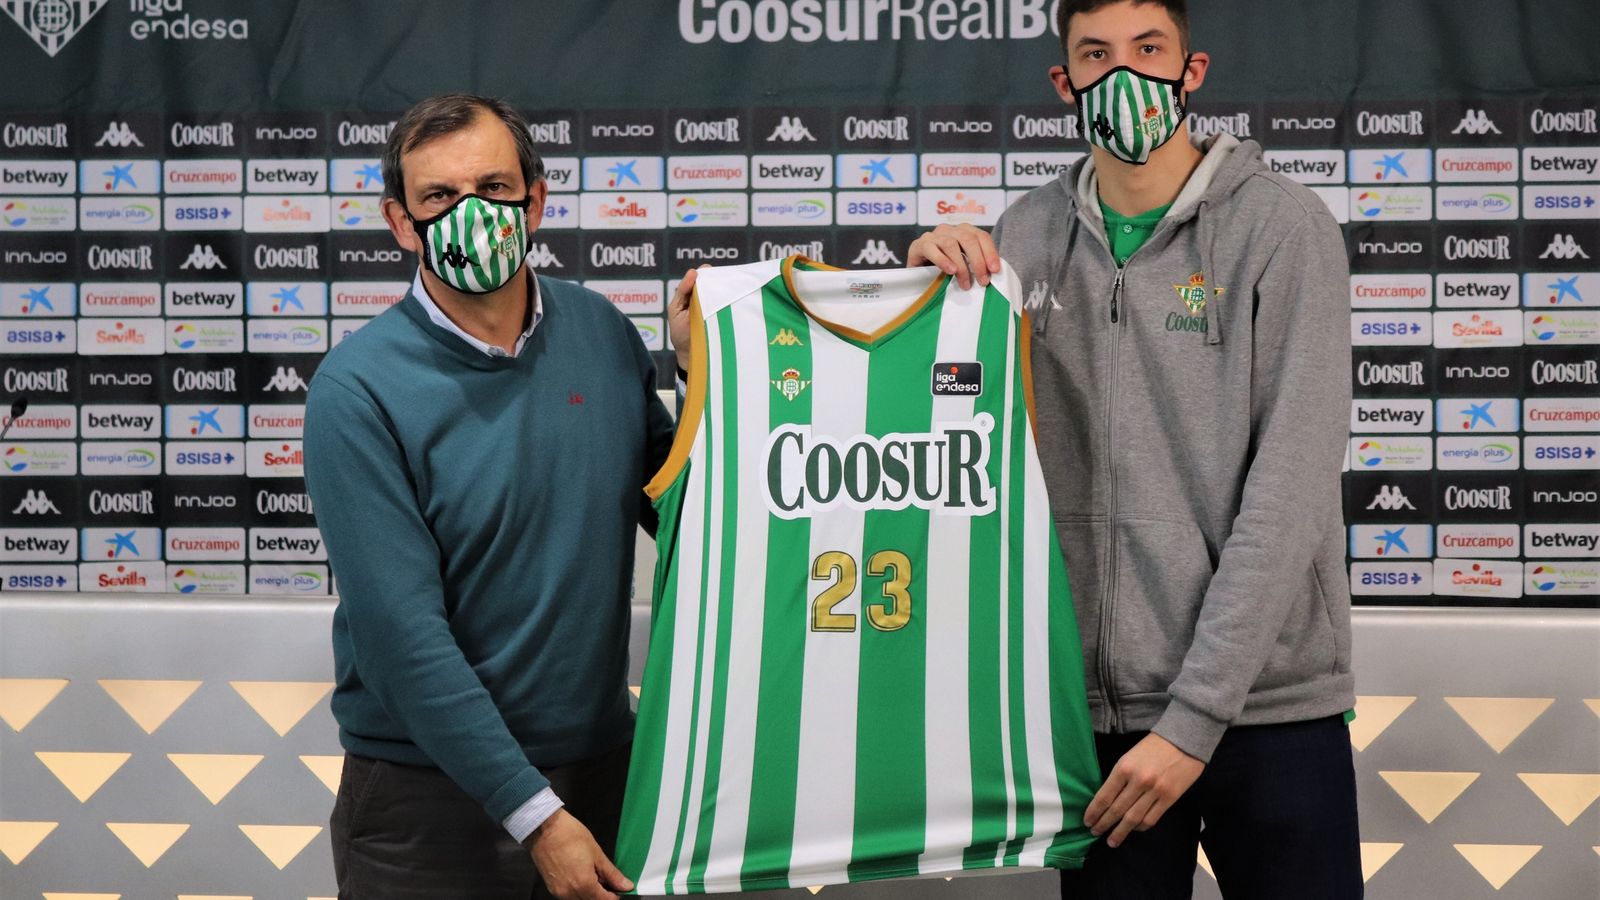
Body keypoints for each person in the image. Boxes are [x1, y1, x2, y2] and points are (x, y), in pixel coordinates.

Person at [904, 1, 1362, 897]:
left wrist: (1193, 722)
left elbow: (1291, 491)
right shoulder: (1024, 237)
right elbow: (954, 441)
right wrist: (930, 296)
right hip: (1099, 721)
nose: (1124, 75)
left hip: (1268, 715)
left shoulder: (1283, 228)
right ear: (1063, 81)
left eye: (1148, 51)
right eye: (1095, 54)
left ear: (1191, 72)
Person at [304, 93, 674, 900]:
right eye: (438, 197)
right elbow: (402, 636)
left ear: (534, 199)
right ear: (401, 222)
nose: (470, 213)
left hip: (604, 778)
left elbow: (687, 515)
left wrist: (711, 369)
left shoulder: (601, 330)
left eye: (494, 187)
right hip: (428, 805)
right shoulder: (357, 389)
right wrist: (535, 814)